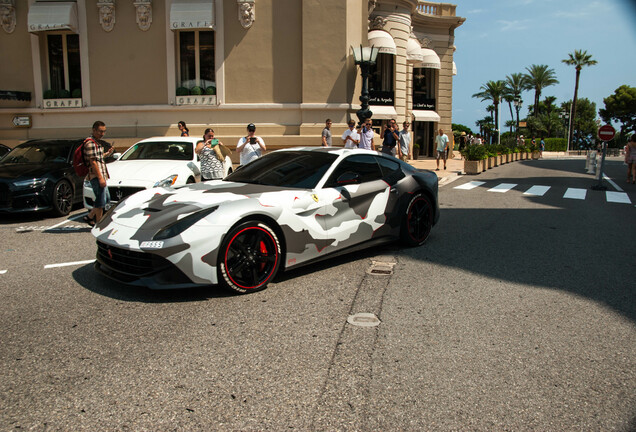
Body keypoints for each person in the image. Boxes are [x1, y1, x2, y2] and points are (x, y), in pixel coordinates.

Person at [83, 121, 113, 226]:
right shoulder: (90, 143)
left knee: (106, 199)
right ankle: (100, 224)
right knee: (100, 202)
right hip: (96, 176)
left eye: (104, 131)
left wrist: (107, 154)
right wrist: (100, 178)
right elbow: (93, 162)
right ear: (94, 130)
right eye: (100, 131)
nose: (102, 134)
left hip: (101, 175)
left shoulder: (96, 143)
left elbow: (98, 159)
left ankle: (90, 217)